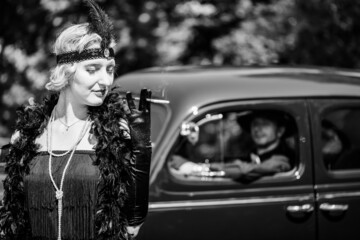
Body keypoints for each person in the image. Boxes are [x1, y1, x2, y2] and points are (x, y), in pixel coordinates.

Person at [0, 1, 152, 239]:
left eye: (109, 69)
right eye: (92, 69)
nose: (105, 80)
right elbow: (12, 219)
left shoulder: (115, 133)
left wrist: (141, 149)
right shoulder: (27, 135)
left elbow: (131, 228)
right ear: (66, 73)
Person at [171, 110, 294, 181]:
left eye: (265, 124)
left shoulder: (282, 160)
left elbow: (246, 170)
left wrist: (197, 169)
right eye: (255, 124)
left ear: (280, 131)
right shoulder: (249, 156)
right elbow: (232, 163)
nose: (258, 129)